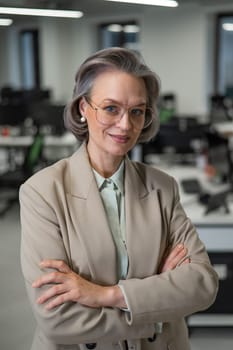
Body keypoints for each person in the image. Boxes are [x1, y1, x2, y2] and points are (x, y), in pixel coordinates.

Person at [20, 47, 218, 350]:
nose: (126, 125)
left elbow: (202, 284)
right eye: (111, 108)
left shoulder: (162, 187)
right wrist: (157, 307)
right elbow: (58, 320)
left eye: (137, 111)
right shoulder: (43, 193)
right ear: (83, 108)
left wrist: (104, 295)